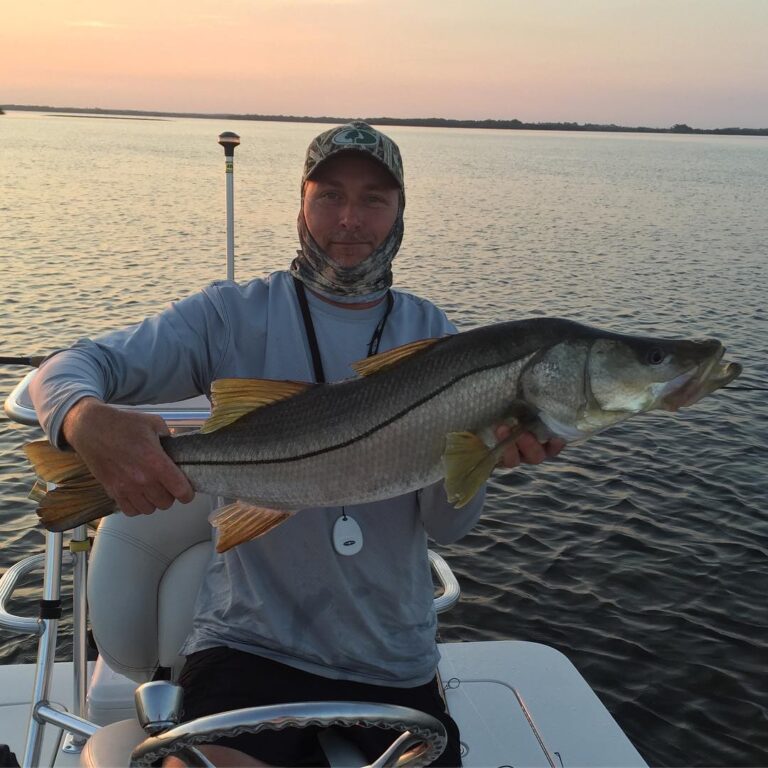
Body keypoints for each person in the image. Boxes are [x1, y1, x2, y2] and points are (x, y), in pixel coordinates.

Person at [30, 121, 564, 767]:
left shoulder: (435, 334)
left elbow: (448, 530)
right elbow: (64, 368)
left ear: (399, 211)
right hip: (248, 642)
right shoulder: (230, 314)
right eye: (328, 195)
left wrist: (481, 461)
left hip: (391, 653)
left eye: (374, 199)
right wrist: (84, 422)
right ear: (300, 204)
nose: (348, 218)